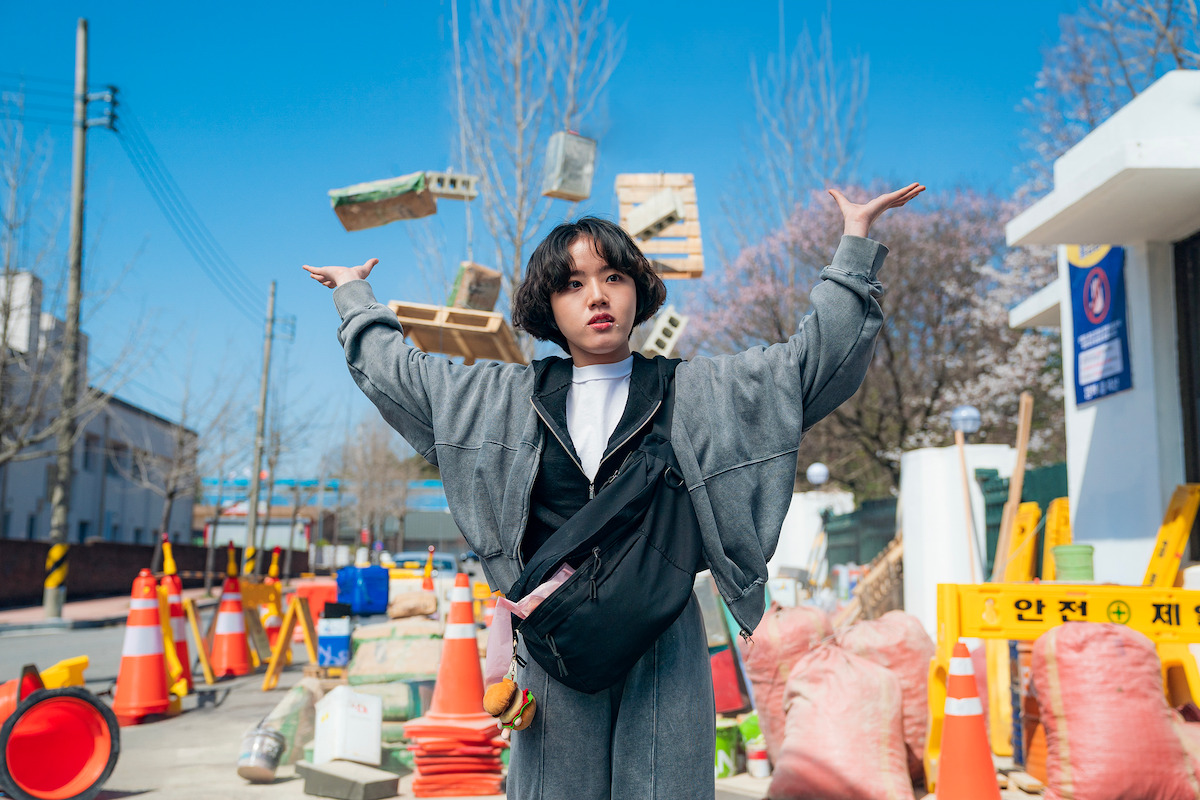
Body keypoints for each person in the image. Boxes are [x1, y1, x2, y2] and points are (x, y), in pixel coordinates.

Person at [303, 182, 923, 799]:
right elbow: (403, 377)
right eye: (572, 284)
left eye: (613, 277)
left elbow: (814, 363)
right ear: (548, 305)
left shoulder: (699, 392)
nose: (596, 296)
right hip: (554, 632)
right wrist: (354, 296)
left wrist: (854, 244)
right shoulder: (501, 400)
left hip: (663, 629)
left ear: (637, 290)